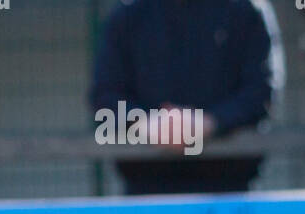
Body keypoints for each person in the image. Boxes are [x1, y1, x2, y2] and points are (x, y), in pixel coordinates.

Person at [90, 0, 284, 196]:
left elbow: (261, 92)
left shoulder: (246, 9)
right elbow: (104, 95)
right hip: (145, 189)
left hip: (229, 189)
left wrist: (210, 122)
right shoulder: (128, 12)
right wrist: (147, 124)